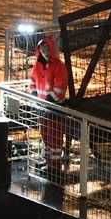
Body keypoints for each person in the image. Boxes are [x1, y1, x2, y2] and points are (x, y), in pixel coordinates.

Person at [29, 36, 68, 172]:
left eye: (47, 48)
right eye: (42, 48)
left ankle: (55, 166)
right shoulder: (38, 65)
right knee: (45, 136)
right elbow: (33, 81)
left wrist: (49, 100)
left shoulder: (59, 66)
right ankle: (48, 162)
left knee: (55, 138)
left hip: (54, 109)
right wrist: (33, 93)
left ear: (51, 49)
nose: (45, 51)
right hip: (43, 107)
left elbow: (60, 88)